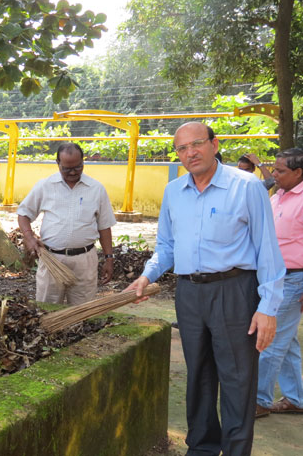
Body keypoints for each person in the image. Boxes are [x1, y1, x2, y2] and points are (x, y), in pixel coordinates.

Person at [126, 122, 285, 456]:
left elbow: (267, 250)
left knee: (237, 379)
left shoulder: (246, 187)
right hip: (190, 293)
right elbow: (166, 246)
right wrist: (147, 275)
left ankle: (236, 450)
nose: (190, 153)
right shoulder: (174, 191)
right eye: (181, 148)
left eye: (197, 144)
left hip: (235, 291)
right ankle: (201, 448)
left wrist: (268, 307)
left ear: (214, 144)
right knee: (198, 375)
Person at [18, 142, 116, 305]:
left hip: (85, 261)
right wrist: (29, 237)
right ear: (58, 164)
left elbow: (104, 226)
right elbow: (23, 214)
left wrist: (109, 259)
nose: (72, 172)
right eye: (67, 168)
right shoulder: (45, 186)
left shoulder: (96, 189)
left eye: (77, 167)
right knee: (46, 309)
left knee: (82, 312)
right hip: (52, 260)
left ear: (83, 162)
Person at [256, 147, 303, 417]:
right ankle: (296, 397)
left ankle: (260, 401)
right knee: (287, 343)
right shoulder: (279, 197)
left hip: (293, 279)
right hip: (273, 278)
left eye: (281, 171)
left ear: (298, 173)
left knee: (271, 341)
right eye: (274, 168)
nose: (274, 174)